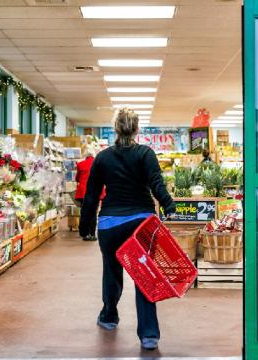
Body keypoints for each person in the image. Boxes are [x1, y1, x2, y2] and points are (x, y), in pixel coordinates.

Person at [79, 108, 176, 351]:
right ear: (137, 129)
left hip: (111, 223)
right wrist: (169, 206)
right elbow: (156, 184)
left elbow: (91, 196)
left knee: (111, 273)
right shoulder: (146, 154)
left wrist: (84, 226)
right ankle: (149, 335)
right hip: (141, 224)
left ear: (115, 128)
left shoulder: (102, 157)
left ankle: (109, 317)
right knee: (144, 276)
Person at [75, 147, 98, 241]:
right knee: (93, 213)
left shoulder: (80, 164)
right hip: (95, 191)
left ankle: (84, 233)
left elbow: (77, 178)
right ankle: (92, 234)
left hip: (83, 192)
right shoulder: (98, 163)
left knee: (84, 213)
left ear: (85, 155)